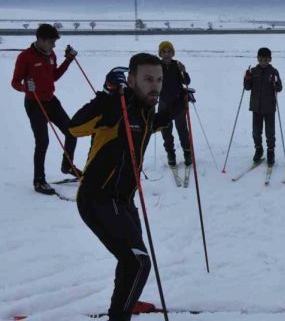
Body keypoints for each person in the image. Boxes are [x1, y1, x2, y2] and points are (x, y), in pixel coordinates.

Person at [70, 53, 184, 320]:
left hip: (124, 200)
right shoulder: (115, 109)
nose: (155, 85)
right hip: (97, 199)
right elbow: (74, 127)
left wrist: (180, 101)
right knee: (138, 262)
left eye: (158, 79)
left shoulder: (144, 112)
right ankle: (119, 315)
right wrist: (107, 97)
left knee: (130, 260)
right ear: (131, 80)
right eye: (147, 79)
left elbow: (156, 123)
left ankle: (126, 300)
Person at [10, 23, 80, 195]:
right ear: (40, 40)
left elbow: (54, 76)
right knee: (43, 142)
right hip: (34, 104)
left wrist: (68, 60)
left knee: (72, 131)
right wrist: (26, 88)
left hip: (51, 100)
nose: (54, 45)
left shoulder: (51, 55)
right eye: (51, 41)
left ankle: (67, 165)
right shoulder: (25, 57)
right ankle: (39, 181)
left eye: (55, 41)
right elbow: (15, 82)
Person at [244, 47, 282, 166]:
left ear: (270, 59)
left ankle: (271, 152)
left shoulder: (273, 71)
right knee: (256, 132)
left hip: (269, 107)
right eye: (261, 60)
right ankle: (258, 150)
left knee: (270, 132)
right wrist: (247, 78)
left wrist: (276, 83)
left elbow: (279, 88)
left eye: (265, 60)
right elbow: (247, 87)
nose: (263, 62)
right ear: (258, 59)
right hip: (256, 107)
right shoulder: (254, 71)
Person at [157, 41, 193, 167]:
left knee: (182, 130)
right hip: (163, 103)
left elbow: (186, 81)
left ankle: (187, 153)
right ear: (160, 53)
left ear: (172, 53)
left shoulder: (177, 65)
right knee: (166, 131)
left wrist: (184, 71)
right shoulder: (156, 66)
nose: (166, 54)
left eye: (169, 51)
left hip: (178, 103)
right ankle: (170, 154)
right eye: (164, 52)